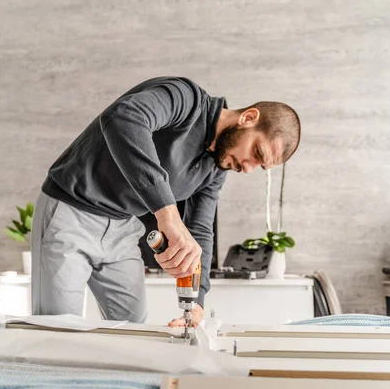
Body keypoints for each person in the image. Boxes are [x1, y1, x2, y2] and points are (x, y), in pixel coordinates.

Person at [31, 76, 301, 327]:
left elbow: (199, 231)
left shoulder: (216, 168)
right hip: (71, 212)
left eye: (260, 166)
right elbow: (123, 118)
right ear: (248, 118)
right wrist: (168, 214)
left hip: (123, 229)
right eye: (256, 152)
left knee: (134, 330)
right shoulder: (185, 99)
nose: (248, 167)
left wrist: (197, 304)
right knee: (58, 331)